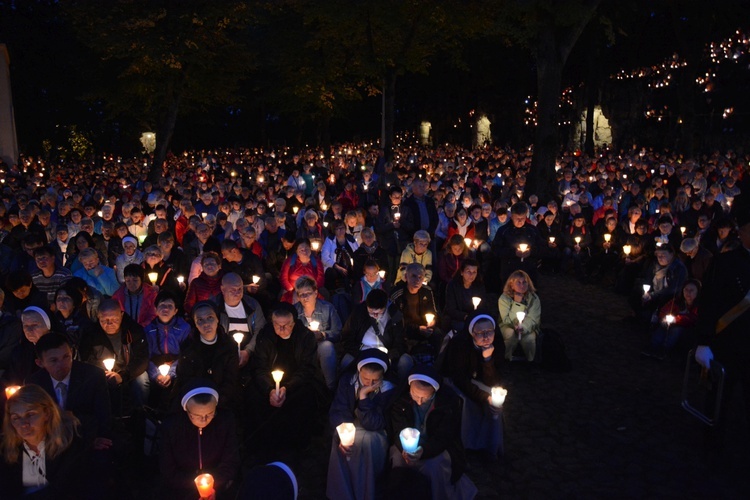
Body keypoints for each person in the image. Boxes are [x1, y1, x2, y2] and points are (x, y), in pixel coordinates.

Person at [694, 208, 750, 428]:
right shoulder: (725, 262)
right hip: (728, 343)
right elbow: (709, 302)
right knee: (719, 399)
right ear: (742, 232)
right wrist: (703, 341)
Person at [388, 365, 476, 500]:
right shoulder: (401, 402)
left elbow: (444, 436)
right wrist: (405, 449)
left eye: (425, 397)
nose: (419, 401)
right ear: (409, 387)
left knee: (433, 466)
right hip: (406, 448)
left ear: (434, 392)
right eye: (415, 395)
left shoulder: (447, 405)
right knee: (399, 460)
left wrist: (424, 451)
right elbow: (398, 430)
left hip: (435, 446)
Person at [249, 305, 322, 455]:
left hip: (296, 383)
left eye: (285, 326)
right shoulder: (265, 336)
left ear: (293, 324)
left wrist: (287, 388)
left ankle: (296, 446)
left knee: (304, 398)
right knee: (253, 397)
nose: (281, 330)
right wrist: (270, 390)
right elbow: (259, 368)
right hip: (269, 383)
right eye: (277, 325)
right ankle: (263, 445)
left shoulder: (305, 337)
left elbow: (307, 368)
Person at [0, 384, 89, 498]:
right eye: (16, 418)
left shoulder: (69, 443)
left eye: (30, 414)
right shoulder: (6, 448)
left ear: (46, 413)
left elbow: (67, 489)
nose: (23, 424)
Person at [327, 349, 394, 500]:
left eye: (375, 381)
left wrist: (363, 398)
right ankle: (342, 494)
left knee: (367, 441)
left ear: (382, 376)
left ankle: (366, 493)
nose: (369, 384)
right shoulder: (347, 381)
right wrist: (344, 430)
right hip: (352, 426)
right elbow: (339, 409)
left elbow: (376, 423)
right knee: (338, 439)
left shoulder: (388, 390)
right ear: (358, 372)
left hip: (375, 432)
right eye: (365, 379)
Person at [27, 333, 112, 451]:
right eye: (53, 360)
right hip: (49, 442)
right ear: (40, 363)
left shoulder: (92, 376)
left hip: (86, 439)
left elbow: (103, 415)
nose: (62, 365)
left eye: (66, 357)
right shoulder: (35, 383)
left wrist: (93, 438)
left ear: (72, 352)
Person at [159, 381, 240, 499]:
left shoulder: (225, 422)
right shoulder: (171, 428)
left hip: (219, 486)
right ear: (186, 409)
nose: (204, 420)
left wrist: (213, 487)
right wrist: (196, 489)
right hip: (182, 489)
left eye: (210, 413)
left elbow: (231, 461)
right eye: (197, 415)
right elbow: (168, 470)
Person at [443, 312, 504, 459]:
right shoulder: (459, 345)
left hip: (479, 382)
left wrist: (487, 360)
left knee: (495, 406)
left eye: (489, 332)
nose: (486, 337)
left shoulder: (497, 345)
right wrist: (484, 397)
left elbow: (494, 381)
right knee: (467, 403)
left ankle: (491, 446)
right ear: (471, 333)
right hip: (456, 380)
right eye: (480, 333)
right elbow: (459, 378)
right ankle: (469, 446)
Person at [79, 299, 149, 415]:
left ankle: (140, 413)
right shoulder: (91, 333)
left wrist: (123, 375)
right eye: (104, 320)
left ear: (121, 315)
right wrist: (102, 372)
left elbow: (142, 359)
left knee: (142, 381)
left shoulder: (133, 330)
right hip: (101, 371)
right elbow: (86, 358)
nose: (109, 324)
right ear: (98, 317)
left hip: (128, 370)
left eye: (114, 319)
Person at [176, 301, 239, 411]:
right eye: (200, 320)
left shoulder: (229, 345)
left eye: (210, 317)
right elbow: (184, 377)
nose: (206, 324)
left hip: (222, 401)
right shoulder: (188, 347)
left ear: (217, 319)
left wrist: (217, 401)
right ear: (195, 324)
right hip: (195, 397)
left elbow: (231, 379)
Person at [293, 276, 342, 390]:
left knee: (326, 346)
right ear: (298, 297)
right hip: (303, 348)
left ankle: (331, 388)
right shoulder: (294, 311)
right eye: (301, 295)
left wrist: (323, 335)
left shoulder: (327, 308)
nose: (305, 298)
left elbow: (338, 332)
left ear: (315, 293)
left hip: (321, 346)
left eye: (308, 293)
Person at [143, 291, 191, 408]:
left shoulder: (184, 328)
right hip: (155, 366)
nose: (166, 309)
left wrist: (171, 374)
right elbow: (146, 356)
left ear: (175, 311)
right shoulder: (149, 330)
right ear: (155, 309)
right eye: (162, 305)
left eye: (170, 306)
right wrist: (156, 375)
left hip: (177, 367)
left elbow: (186, 354)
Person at [215, 273, 266, 369]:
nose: (237, 293)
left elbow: (260, 329)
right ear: (223, 289)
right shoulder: (214, 307)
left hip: (250, 352)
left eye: (240, 289)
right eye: (233, 290)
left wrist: (248, 351)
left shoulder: (252, 305)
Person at [642, 279, 700, 360]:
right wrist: (664, 318)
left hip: (686, 328)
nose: (688, 293)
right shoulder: (677, 301)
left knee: (676, 330)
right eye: (686, 290)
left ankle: (664, 350)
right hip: (672, 323)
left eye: (691, 290)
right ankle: (653, 346)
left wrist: (676, 320)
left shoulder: (698, 306)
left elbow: (693, 318)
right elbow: (664, 310)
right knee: (663, 326)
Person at [498, 270, 541, 361]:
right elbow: (506, 320)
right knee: (510, 335)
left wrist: (523, 327)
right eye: (518, 282)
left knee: (529, 339)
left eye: (524, 282)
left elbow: (533, 318)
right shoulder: (504, 298)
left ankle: (530, 361)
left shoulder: (533, 298)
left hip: (527, 327)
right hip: (507, 325)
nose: (522, 285)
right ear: (511, 284)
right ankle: (506, 358)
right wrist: (517, 303)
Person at [442, 259, 486, 332]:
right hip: (457, 317)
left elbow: (483, 305)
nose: (471, 275)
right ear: (462, 272)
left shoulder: (479, 286)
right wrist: (466, 316)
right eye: (468, 271)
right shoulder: (453, 286)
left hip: (474, 317)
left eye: (474, 272)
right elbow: (450, 308)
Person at [111, 264, 158, 328]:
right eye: (128, 281)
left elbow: (153, 315)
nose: (131, 284)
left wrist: (140, 328)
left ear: (141, 280)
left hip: (145, 330)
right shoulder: (118, 296)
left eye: (135, 280)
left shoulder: (151, 294)